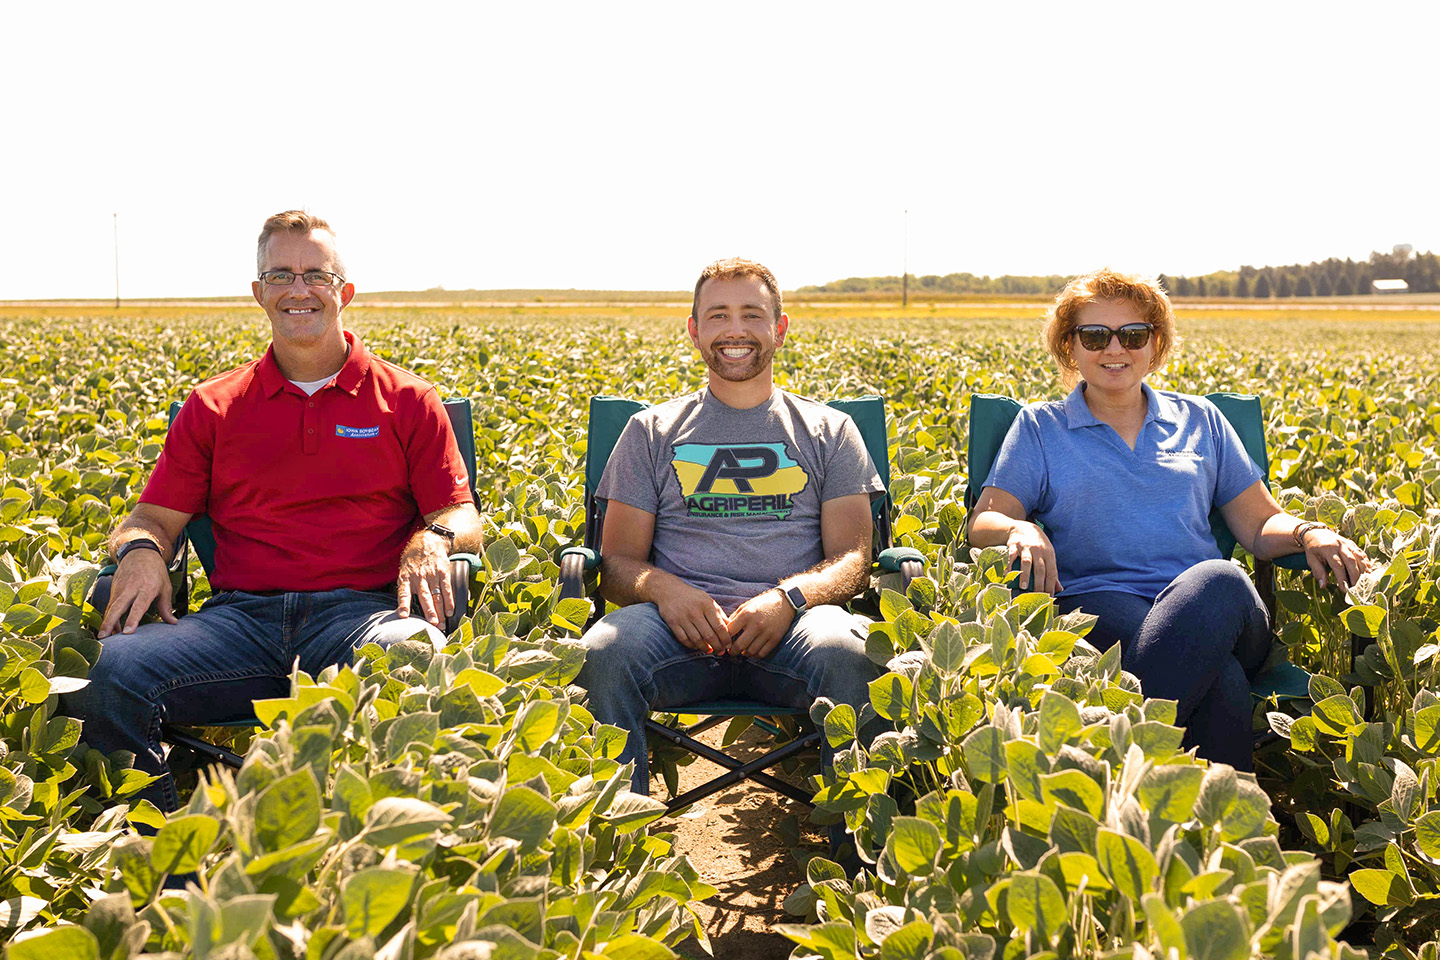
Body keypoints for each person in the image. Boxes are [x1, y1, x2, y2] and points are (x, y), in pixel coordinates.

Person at [62, 210, 484, 812]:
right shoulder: (213, 405)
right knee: (105, 673)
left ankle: (378, 846)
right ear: (259, 292)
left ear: (345, 292)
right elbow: (150, 519)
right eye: (281, 275)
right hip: (237, 623)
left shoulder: (408, 399)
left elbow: (461, 513)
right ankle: (162, 847)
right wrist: (141, 550)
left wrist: (434, 536)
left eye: (317, 275)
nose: (298, 289)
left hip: (365, 618)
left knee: (416, 659)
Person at [967, 267, 1369, 770]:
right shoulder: (1040, 427)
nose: (1115, 349)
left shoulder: (1202, 420)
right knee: (1222, 681)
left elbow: (1259, 524)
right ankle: (1222, 817)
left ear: (1155, 343)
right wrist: (1018, 526)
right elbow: (983, 524)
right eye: (1095, 336)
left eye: (1133, 335)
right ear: (1070, 346)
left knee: (1220, 580)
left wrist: (1310, 532)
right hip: (1098, 610)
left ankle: (1103, 768)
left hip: (1219, 608)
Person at [574, 258, 885, 797]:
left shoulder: (831, 431)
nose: (735, 330)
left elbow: (854, 560)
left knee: (852, 654)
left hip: (796, 630)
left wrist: (789, 599)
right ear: (694, 330)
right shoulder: (650, 432)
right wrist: (668, 592)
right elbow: (618, 563)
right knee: (602, 655)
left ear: (779, 329)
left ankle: (857, 841)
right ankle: (617, 832)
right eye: (717, 315)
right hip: (674, 634)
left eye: (752, 314)